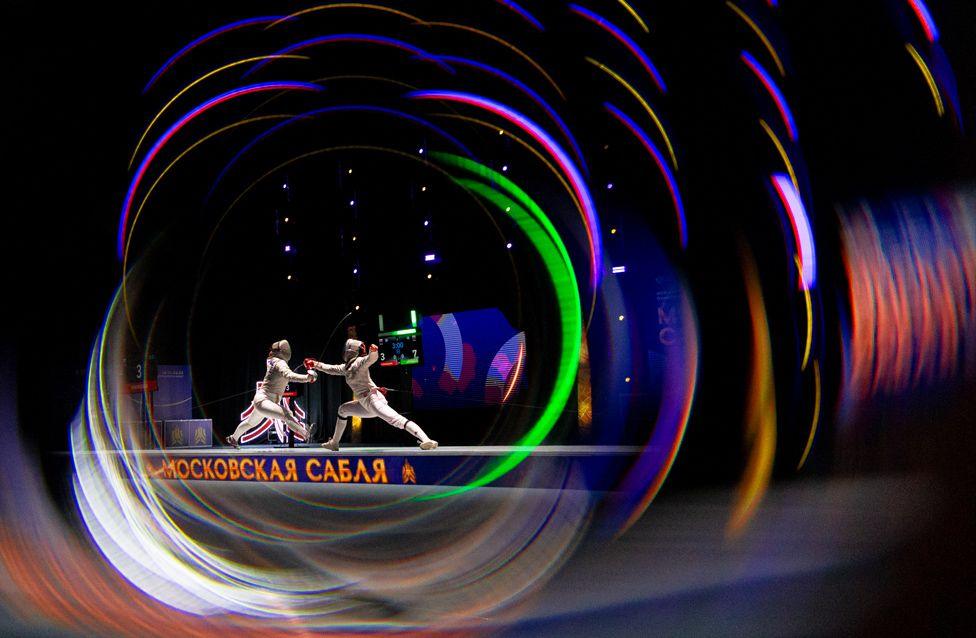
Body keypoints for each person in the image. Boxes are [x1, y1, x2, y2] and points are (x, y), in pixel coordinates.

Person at [305, 339, 437, 450]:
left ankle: (426, 440)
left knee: (397, 420)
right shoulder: (345, 368)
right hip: (365, 404)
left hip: (374, 401)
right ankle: (334, 443)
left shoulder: (359, 362)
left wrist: (373, 352)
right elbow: (330, 369)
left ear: (350, 350)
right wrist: (315, 364)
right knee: (343, 409)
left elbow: (370, 359)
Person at [226, 340, 317, 448]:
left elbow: (285, 374)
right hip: (264, 400)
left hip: (263, 400)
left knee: (250, 423)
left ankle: (233, 438)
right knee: (287, 414)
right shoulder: (279, 362)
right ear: (282, 351)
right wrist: (307, 378)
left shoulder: (273, 360)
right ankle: (306, 434)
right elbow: (289, 375)